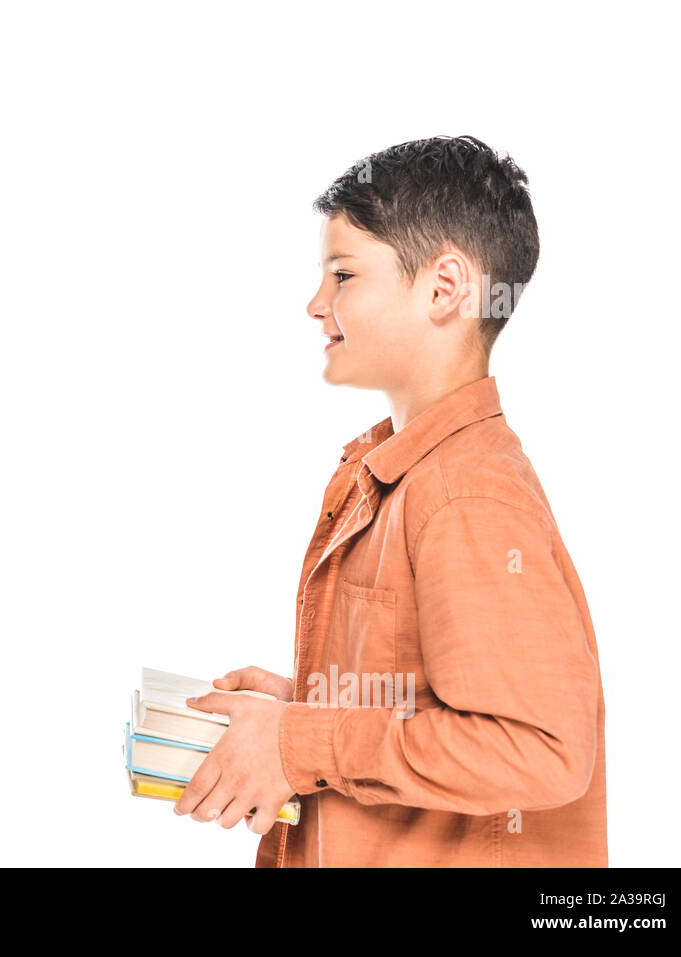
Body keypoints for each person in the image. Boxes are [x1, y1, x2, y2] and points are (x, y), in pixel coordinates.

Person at [171, 135, 608, 867]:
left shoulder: (467, 494)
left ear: (444, 289)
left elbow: (541, 747)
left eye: (343, 274)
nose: (316, 303)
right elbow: (427, 705)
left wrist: (298, 740)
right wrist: (297, 710)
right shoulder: (397, 475)